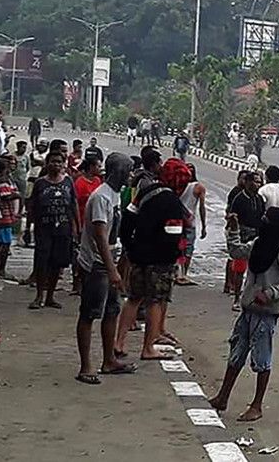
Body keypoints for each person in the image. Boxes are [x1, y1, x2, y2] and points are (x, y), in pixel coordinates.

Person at [208, 207, 279, 422]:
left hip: (266, 313)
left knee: (262, 359)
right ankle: (223, 397)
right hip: (249, 309)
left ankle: (257, 405)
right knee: (236, 354)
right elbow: (236, 252)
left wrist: (271, 293)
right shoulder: (258, 244)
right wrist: (232, 231)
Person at [115, 158, 192, 361]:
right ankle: (148, 347)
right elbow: (173, 236)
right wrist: (170, 258)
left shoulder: (145, 192)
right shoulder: (173, 203)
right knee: (155, 302)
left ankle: (119, 342)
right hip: (160, 262)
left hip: (139, 256)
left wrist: (131, 248)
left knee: (133, 299)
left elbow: (127, 221)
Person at [75, 152, 137, 384]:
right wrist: (112, 269)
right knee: (90, 313)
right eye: (128, 170)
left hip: (109, 260)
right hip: (97, 263)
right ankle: (85, 366)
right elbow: (100, 235)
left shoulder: (114, 195)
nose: (130, 175)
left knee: (112, 310)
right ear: (118, 172)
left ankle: (109, 359)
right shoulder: (101, 198)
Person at [27, 151, 78, 310]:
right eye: (53, 162)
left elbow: (73, 204)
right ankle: (39, 296)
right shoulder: (40, 183)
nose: (56, 165)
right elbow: (32, 206)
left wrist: (77, 226)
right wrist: (29, 227)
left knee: (57, 263)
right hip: (44, 230)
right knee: (42, 262)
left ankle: (50, 296)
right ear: (47, 164)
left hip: (63, 229)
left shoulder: (68, 182)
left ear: (63, 165)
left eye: (59, 162)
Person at [229, 171, 266, 310]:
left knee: (256, 269)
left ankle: (252, 296)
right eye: (256, 181)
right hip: (243, 236)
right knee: (240, 269)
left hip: (256, 236)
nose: (258, 184)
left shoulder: (259, 199)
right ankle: (237, 298)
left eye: (260, 182)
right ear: (248, 182)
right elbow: (232, 217)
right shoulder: (239, 199)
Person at [72, 156, 103, 295]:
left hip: (94, 222)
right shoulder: (80, 182)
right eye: (97, 166)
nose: (100, 169)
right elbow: (75, 205)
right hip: (82, 221)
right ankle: (76, 283)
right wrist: (76, 225)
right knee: (79, 254)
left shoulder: (97, 181)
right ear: (91, 167)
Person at [0, 159, 22, 281]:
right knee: (4, 244)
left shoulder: (1, 181)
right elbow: (5, 196)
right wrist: (16, 195)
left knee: (0, 243)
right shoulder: (3, 182)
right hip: (4, 216)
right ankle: (0, 270)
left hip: (4, 215)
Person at [176, 163, 207, 286]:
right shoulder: (198, 187)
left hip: (178, 222)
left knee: (180, 248)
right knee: (187, 249)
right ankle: (183, 274)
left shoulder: (177, 185)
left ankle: (179, 273)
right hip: (190, 223)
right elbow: (202, 208)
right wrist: (204, 226)